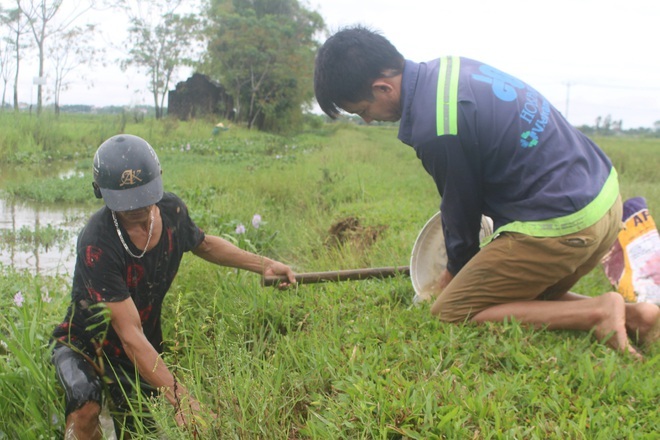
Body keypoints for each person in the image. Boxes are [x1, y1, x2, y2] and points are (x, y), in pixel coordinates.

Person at [314, 26, 659, 358]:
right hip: (604, 204)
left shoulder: (436, 124)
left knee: (452, 310)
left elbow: (461, 211)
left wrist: (453, 277)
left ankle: (598, 313)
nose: (369, 121)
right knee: (514, 296)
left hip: (563, 226)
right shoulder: (449, 69)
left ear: (383, 88)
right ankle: (635, 316)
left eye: (363, 110)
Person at [51, 134, 296, 439]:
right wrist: (180, 397)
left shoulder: (171, 212)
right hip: (86, 346)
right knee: (85, 405)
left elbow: (204, 244)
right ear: (101, 192)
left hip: (142, 347)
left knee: (143, 431)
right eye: (127, 204)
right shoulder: (97, 243)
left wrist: (264, 264)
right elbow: (129, 335)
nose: (139, 208)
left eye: (145, 196)